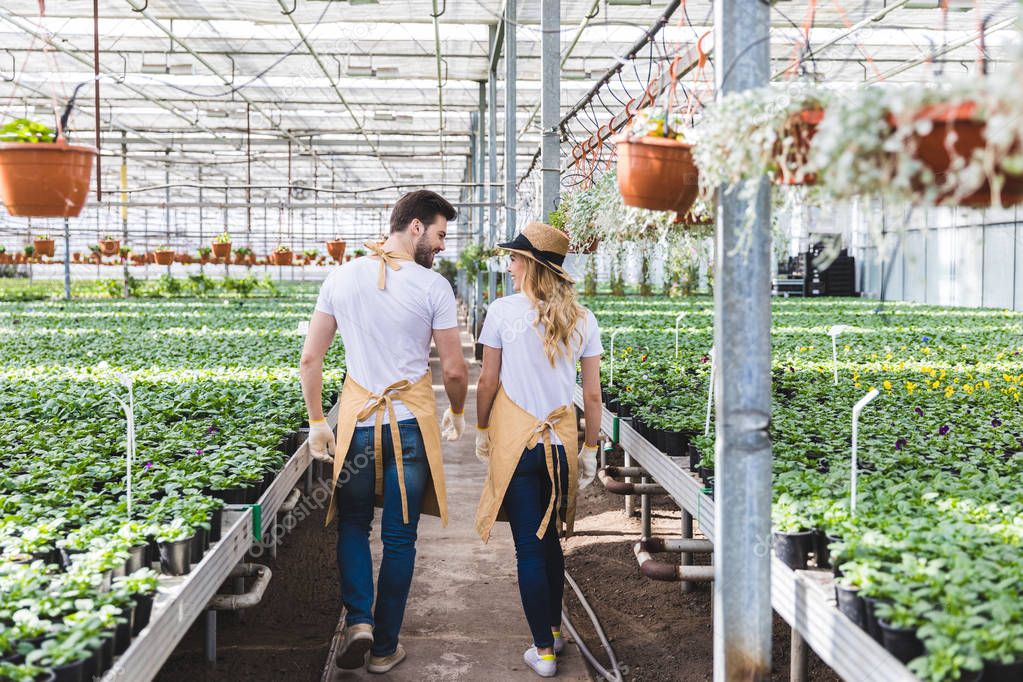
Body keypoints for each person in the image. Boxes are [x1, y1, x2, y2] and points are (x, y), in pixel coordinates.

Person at [300, 190, 469, 674]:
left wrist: (317, 422)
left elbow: (311, 359)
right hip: (410, 426)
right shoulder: (433, 289)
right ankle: (383, 647)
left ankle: (359, 620)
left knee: (353, 525)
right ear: (415, 227)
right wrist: (457, 412)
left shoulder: (341, 277)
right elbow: (455, 370)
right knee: (400, 538)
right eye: (439, 235)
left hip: (357, 426)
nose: (440, 246)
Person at [474, 221, 603, 678]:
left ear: (530, 264)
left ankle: (543, 651)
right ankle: (552, 627)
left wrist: (482, 426)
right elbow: (590, 396)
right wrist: (590, 447)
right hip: (561, 443)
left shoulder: (502, 313)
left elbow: (488, 380)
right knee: (551, 543)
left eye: (514, 259)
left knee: (528, 547)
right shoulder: (582, 318)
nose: (508, 266)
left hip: (518, 442)